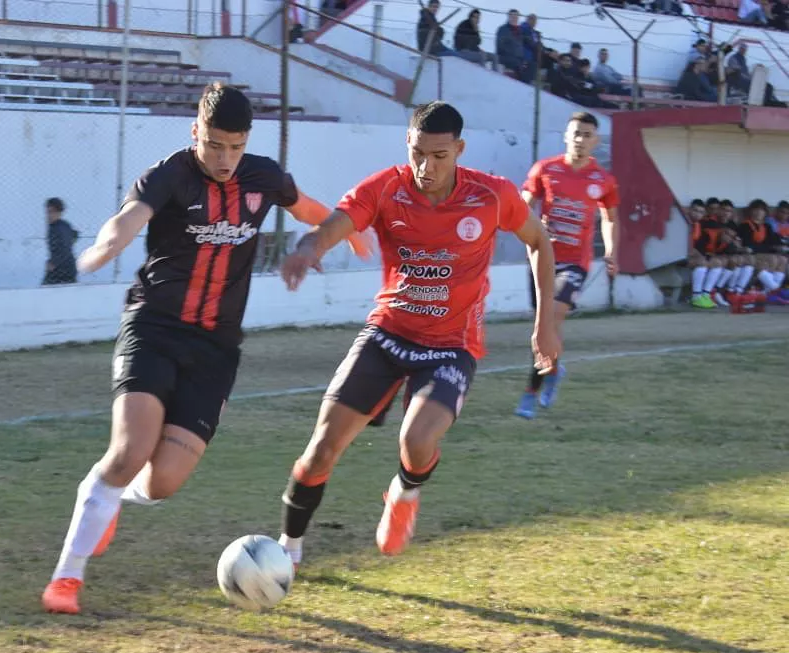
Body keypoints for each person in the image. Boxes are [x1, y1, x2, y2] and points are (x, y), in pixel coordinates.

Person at [42, 83, 370, 615]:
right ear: (196, 131)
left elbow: (308, 207)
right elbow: (130, 217)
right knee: (129, 450)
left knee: (164, 481)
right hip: (154, 328)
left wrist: (345, 231)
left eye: (234, 146)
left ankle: (111, 500)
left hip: (216, 349)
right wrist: (106, 246)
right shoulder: (168, 174)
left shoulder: (263, 176)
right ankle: (67, 577)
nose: (224, 158)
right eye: (214, 144)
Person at [274, 101, 560, 568]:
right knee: (322, 447)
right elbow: (336, 224)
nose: (426, 167)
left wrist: (544, 322)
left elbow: (539, 240)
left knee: (417, 440)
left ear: (459, 150)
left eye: (439, 156)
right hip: (387, 333)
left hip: (450, 347)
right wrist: (308, 247)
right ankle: (287, 549)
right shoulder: (387, 187)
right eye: (417, 153)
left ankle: (404, 492)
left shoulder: (491, 195)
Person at [514, 112, 619, 419]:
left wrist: (611, 250)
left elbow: (611, 218)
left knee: (551, 320)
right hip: (542, 258)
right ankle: (555, 371)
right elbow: (522, 205)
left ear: (595, 141)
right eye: (576, 133)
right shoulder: (545, 169)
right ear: (566, 136)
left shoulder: (603, 179)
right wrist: (528, 230)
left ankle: (530, 392)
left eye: (587, 135)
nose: (581, 140)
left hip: (575, 263)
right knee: (542, 325)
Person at [42, 197, 79, 285]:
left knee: (46, 292)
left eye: (52, 212)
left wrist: (53, 263)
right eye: (47, 212)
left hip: (63, 270)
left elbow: (64, 248)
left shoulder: (58, 228)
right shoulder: (61, 225)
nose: (49, 215)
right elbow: (75, 235)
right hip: (65, 267)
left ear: (59, 213)